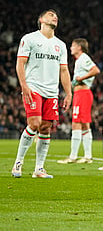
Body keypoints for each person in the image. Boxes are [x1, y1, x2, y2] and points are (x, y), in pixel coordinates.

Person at [11, 9, 72, 178]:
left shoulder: (60, 44)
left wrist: (68, 93)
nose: (55, 17)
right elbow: (20, 64)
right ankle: (18, 163)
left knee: (46, 127)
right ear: (41, 19)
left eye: (56, 16)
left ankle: (39, 168)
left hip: (52, 92)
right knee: (35, 123)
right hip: (34, 88)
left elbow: (64, 70)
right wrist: (24, 86)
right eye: (51, 15)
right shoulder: (29, 39)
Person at [58, 38, 100, 164]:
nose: (71, 48)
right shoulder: (80, 60)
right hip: (82, 93)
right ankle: (87, 156)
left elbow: (96, 70)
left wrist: (81, 78)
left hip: (82, 93)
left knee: (76, 123)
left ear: (79, 47)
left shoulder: (83, 58)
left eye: (73, 46)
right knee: (84, 124)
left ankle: (73, 156)